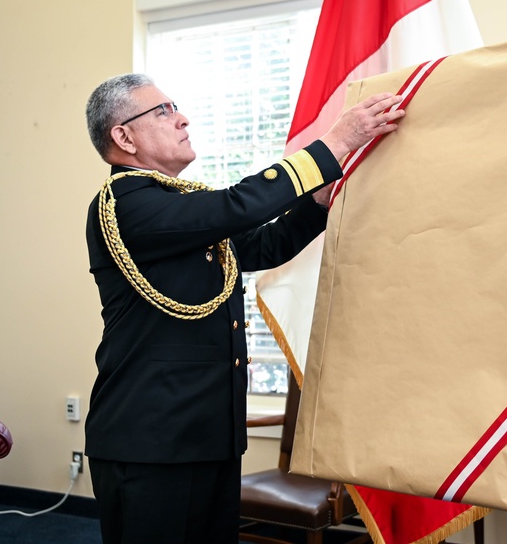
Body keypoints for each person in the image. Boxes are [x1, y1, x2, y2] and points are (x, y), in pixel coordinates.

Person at [83, 73, 404, 544]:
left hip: (207, 432)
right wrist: (333, 143)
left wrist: (317, 202)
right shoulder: (125, 204)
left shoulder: (178, 209)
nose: (183, 119)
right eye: (164, 111)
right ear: (124, 136)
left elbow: (261, 246)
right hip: (150, 439)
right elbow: (236, 206)